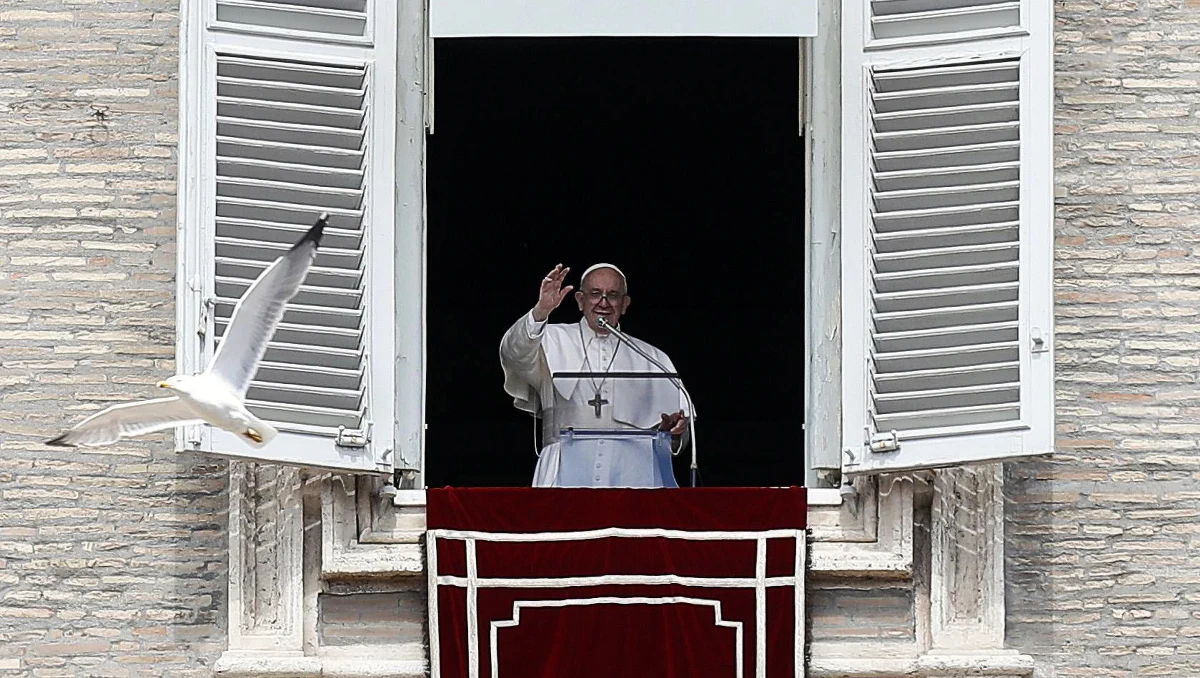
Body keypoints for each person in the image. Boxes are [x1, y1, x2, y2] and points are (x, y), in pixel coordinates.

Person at [499, 263, 691, 487]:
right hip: (563, 473)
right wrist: (541, 311)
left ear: (625, 304)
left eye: (613, 295)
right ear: (580, 300)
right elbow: (513, 353)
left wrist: (673, 434)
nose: (603, 302)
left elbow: (678, 433)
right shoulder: (549, 339)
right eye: (595, 294)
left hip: (634, 475)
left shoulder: (651, 357)